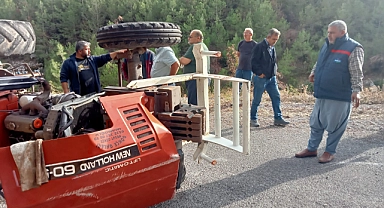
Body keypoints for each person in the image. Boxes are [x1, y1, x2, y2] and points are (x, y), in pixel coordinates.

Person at [295, 20, 364, 163]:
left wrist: (357, 90)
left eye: (332, 32)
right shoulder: (327, 44)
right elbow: (320, 61)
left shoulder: (354, 48)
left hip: (339, 95)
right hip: (322, 92)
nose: (329, 35)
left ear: (342, 32)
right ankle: (312, 148)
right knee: (316, 122)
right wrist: (314, 72)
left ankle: (329, 152)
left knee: (336, 125)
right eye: (328, 32)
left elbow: (357, 72)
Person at [250, 28, 289, 127]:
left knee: (276, 97)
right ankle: (253, 118)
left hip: (271, 78)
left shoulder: (272, 48)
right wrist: (259, 73)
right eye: (273, 39)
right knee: (257, 99)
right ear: (268, 37)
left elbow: (273, 61)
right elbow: (253, 61)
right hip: (261, 78)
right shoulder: (259, 47)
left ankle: (278, 118)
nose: (275, 41)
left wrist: (274, 72)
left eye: (276, 40)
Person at [60, 40, 126, 96]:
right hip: (79, 97)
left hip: (94, 95)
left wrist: (117, 52)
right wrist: (67, 94)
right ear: (80, 51)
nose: (89, 51)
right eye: (87, 49)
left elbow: (104, 57)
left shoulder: (92, 60)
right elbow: (63, 78)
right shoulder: (68, 63)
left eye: (89, 49)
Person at [179, 29, 209, 105]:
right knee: (201, 101)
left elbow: (185, 61)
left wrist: (180, 59)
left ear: (198, 38)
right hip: (202, 78)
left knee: (193, 103)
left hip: (195, 79)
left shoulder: (195, 46)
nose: (188, 38)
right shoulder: (204, 46)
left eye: (190, 37)